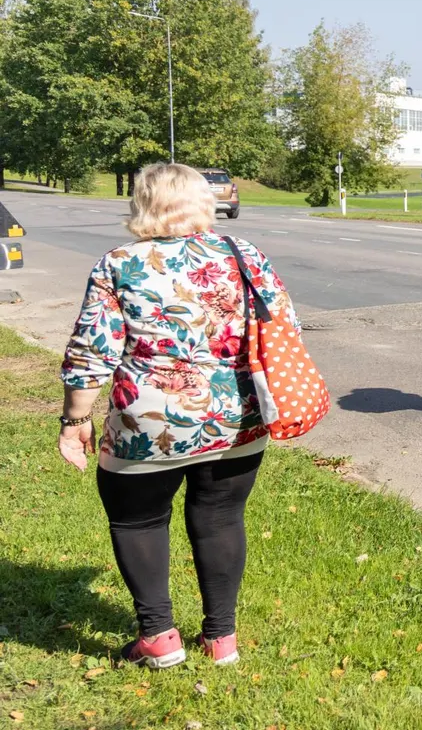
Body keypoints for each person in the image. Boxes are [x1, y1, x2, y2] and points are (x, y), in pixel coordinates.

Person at [57, 163, 297, 669]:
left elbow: (92, 351)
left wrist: (74, 420)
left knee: (137, 519)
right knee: (220, 518)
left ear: (142, 203)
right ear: (203, 202)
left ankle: (159, 638)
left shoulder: (119, 263)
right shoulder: (243, 253)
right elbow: (286, 324)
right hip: (237, 417)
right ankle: (221, 640)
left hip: (149, 425)